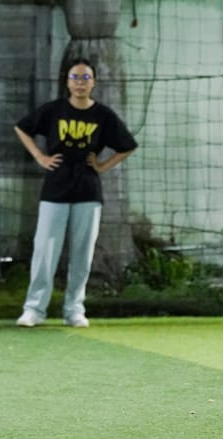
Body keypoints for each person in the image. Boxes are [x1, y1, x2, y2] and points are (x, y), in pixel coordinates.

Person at [14, 58, 137, 328]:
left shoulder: (103, 115)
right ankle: (34, 309)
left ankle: (74, 310)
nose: (80, 83)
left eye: (85, 77)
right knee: (45, 251)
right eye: (75, 77)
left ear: (94, 82)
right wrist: (40, 156)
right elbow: (22, 128)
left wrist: (103, 166)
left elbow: (127, 145)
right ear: (67, 82)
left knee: (82, 254)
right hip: (55, 189)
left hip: (88, 192)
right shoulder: (53, 110)